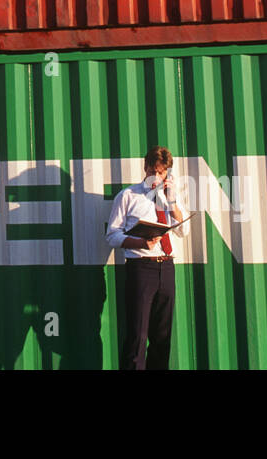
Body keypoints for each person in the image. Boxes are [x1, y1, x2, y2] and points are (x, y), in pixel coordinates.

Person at [105, 146, 186, 369]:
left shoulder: (170, 198)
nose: (157, 177)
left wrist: (173, 204)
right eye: (154, 171)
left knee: (162, 338)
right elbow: (112, 236)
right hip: (141, 268)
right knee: (137, 337)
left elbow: (183, 231)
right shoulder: (128, 196)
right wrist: (141, 243)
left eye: (162, 173)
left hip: (167, 268)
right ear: (145, 167)